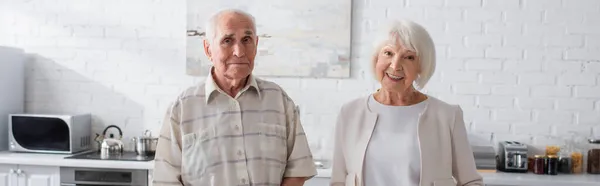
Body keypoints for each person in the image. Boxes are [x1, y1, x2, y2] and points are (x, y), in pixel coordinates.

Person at [152, 8, 317, 186]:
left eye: (246, 40)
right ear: (208, 49)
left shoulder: (279, 100)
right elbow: (165, 180)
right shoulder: (182, 109)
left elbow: (298, 170)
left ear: (256, 44)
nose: (239, 51)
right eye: (227, 41)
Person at [329, 19, 483, 186]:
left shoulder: (447, 116)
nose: (395, 66)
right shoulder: (350, 113)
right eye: (388, 53)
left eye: (408, 57)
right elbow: (339, 181)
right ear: (376, 59)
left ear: (421, 67)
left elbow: (471, 182)